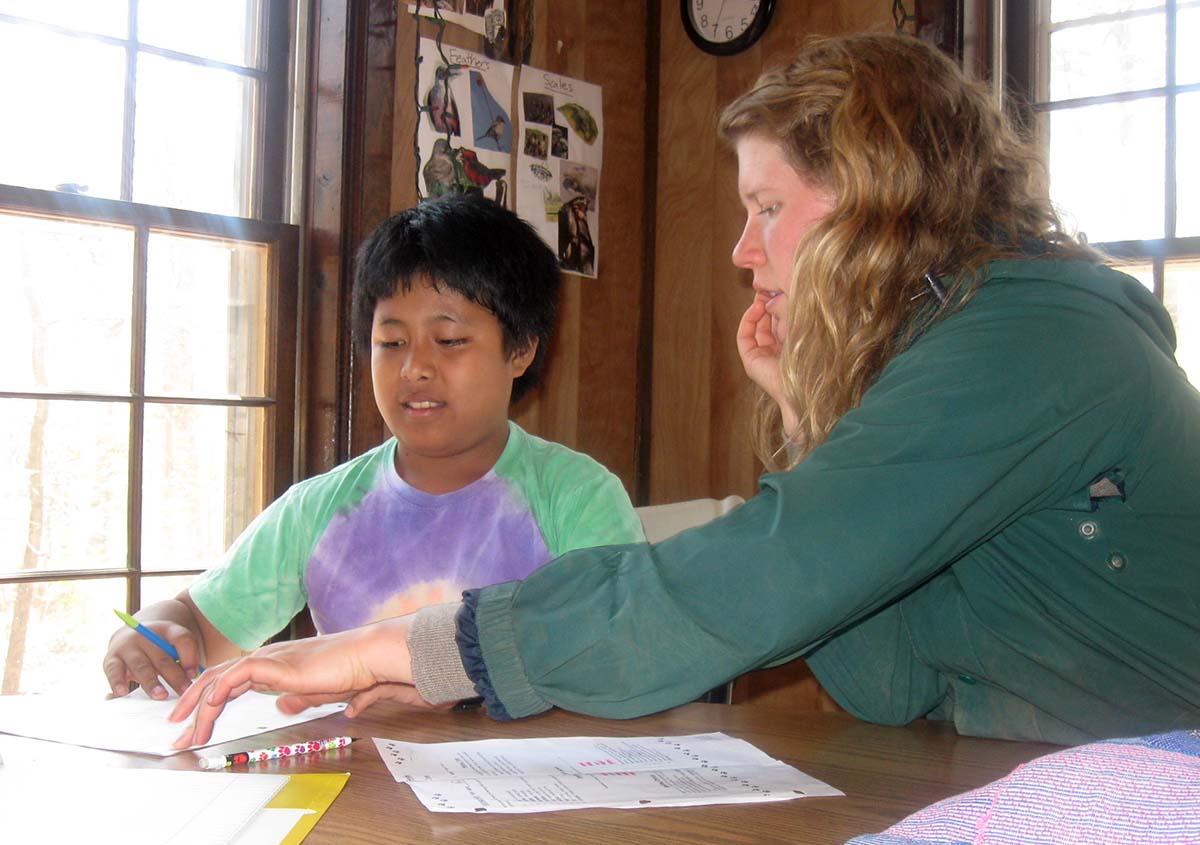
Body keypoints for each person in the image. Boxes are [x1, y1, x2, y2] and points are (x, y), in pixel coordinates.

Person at [170, 33, 1200, 750]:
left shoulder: (1031, 337)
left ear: (880, 199)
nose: (746, 249)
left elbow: (749, 581)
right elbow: (888, 677)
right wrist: (808, 413)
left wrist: (402, 647)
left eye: (767, 208)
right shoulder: (977, 344)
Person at [103, 194, 644, 704]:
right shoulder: (319, 509)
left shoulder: (577, 496)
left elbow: (617, 656)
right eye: (391, 342)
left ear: (521, 349)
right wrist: (160, 628)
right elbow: (197, 623)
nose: (415, 368)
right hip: (358, 784)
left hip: (526, 785)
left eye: (450, 340)